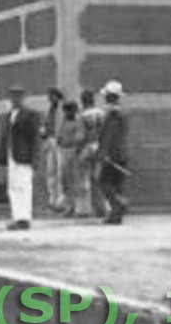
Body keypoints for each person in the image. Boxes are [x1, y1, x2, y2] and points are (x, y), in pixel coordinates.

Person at [0, 84, 41, 231]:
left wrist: (36, 157)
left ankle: (24, 218)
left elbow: (35, 138)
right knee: (13, 188)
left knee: (24, 186)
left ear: (23, 97)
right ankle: (17, 216)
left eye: (18, 95)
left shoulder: (31, 115)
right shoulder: (9, 115)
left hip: (24, 155)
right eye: (12, 95)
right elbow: (5, 137)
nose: (15, 98)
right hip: (11, 155)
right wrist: (1, 154)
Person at [98, 81, 131, 225]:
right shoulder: (122, 113)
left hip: (113, 154)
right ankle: (116, 215)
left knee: (104, 182)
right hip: (122, 153)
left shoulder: (113, 114)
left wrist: (104, 153)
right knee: (117, 185)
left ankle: (119, 203)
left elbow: (109, 136)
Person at [55, 100, 92, 217]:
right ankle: (70, 207)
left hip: (75, 152)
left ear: (74, 110)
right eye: (65, 111)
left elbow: (80, 137)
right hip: (64, 152)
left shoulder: (79, 121)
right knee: (65, 181)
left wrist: (75, 148)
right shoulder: (64, 121)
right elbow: (59, 136)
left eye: (68, 111)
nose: (66, 113)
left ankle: (83, 209)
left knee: (79, 181)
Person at [78, 89, 107, 217]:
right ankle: (102, 208)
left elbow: (81, 135)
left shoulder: (82, 115)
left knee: (84, 178)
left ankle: (84, 209)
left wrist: (79, 148)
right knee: (99, 178)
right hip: (100, 146)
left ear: (83, 101)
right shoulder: (102, 113)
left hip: (88, 146)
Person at [41, 87, 64, 212]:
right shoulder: (48, 110)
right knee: (51, 172)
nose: (49, 99)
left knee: (60, 172)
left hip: (60, 141)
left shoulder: (62, 109)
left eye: (51, 96)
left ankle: (60, 201)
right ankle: (52, 199)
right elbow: (45, 124)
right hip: (50, 141)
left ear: (57, 96)